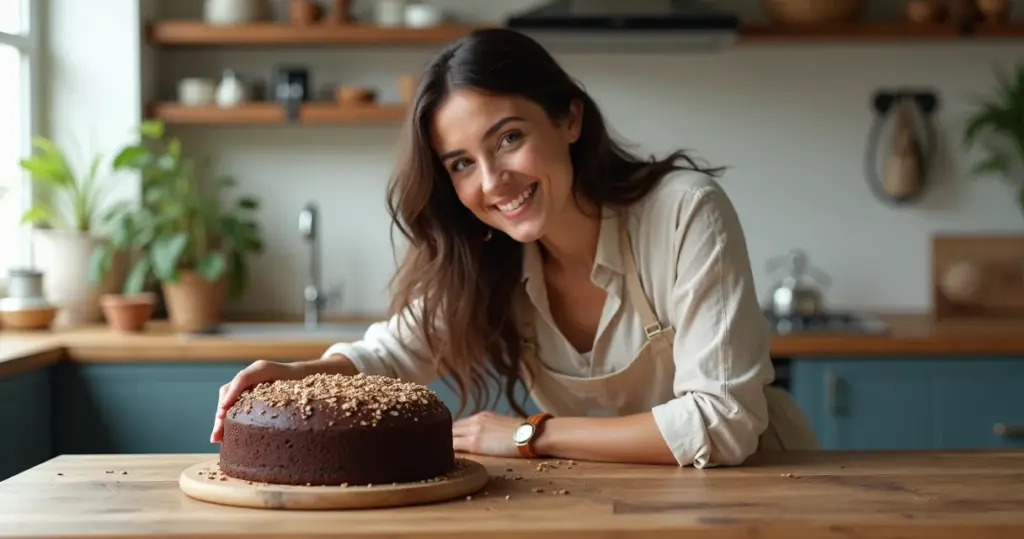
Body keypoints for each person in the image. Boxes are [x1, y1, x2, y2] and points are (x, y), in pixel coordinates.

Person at [210, 28, 818, 468]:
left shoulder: (685, 212)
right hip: (606, 496)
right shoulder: (487, 255)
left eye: (509, 138)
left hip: (760, 493)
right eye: (461, 163)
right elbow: (391, 354)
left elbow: (723, 423)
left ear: (570, 120)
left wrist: (533, 435)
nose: (493, 182)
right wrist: (297, 374)